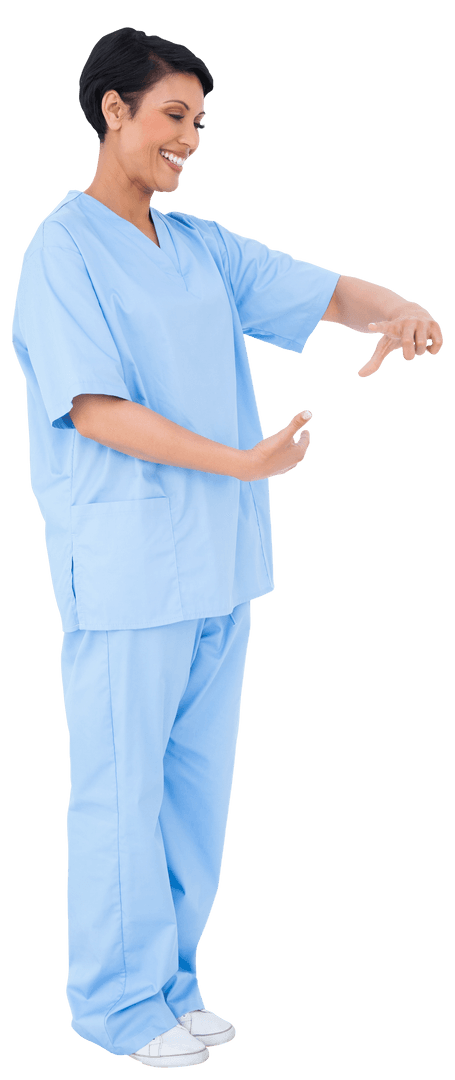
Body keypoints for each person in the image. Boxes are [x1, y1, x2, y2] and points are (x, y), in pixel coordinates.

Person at [11, 25, 443, 1071]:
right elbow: (95, 408)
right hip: (128, 571)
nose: (189, 139)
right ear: (113, 111)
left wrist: (394, 308)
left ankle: (171, 985)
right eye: (172, 115)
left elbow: (315, 291)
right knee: (122, 796)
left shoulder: (197, 245)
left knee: (193, 798)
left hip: (218, 568)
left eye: (200, 123)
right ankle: (114, 1007)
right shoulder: (62, 252)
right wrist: (238, 463)